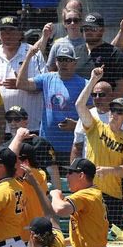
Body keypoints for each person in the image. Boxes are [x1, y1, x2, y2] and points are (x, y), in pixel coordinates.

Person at [73, 67, 123, 226]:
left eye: (119, 112)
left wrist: (107, 170)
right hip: (90, 189)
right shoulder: (96, 127)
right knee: (86, 231)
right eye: (113, 110)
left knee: (112, 237)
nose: (115, 114)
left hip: (113, 194)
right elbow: (80, 105)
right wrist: (92, 80)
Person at [17, 26, 88, 156]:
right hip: (46, 145)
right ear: (55, 61)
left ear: (75, 63)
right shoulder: (47, 78)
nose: (64, 63)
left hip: (73, 146)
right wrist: (28, 57)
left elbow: (94, 118)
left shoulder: (84, 84)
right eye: (60, 59)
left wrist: (77, 125)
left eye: (67, 60)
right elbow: (21, 84)